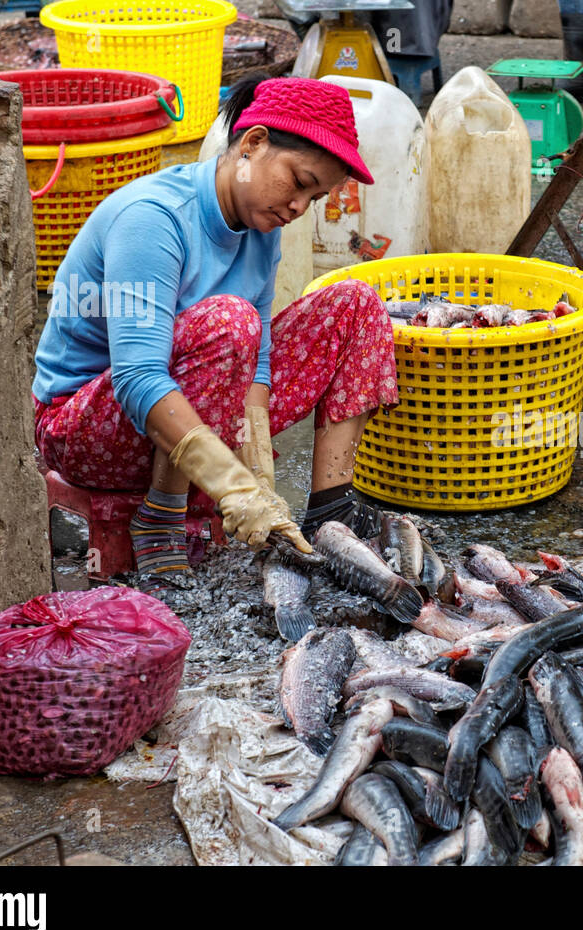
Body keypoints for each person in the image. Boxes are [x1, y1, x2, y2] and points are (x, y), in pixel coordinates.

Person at [31, 76, 398, 588]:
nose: (298, 208)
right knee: (229, 321)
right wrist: (232, 487)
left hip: (195, 404)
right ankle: (160, 514)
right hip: (86, 429)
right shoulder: (153, 219)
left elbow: (259, 361)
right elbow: (138, 376)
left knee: (355, 304)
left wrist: (261, 483)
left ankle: (329, 516)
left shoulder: (260, 224)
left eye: (313, 198)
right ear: (253, 144)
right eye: (298, 181)